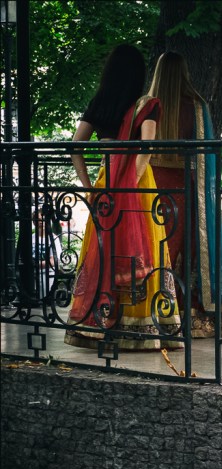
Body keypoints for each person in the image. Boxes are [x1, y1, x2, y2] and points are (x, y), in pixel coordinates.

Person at [65, 43, 181, 351]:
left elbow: (75, 145)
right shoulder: (148, 104)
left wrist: (89, 187)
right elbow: (147, 147)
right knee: (144, 252)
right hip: (137, 188)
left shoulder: (100, 101)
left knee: (104, 252)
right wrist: (133, 183)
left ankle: (103, 324)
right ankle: (143, 325)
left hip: (105, 188)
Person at [147, 51, 222, 338]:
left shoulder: (147, 105)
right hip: (185, 188)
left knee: (157, 248)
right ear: (185, 72)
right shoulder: (196, 106)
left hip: (152, 186)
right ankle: (189, 313)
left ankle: (153, 312)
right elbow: (205, 157)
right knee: (186, 247)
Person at [32, 208, 63, 304]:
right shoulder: (30, 238)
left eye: (43, 219)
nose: (41, 222)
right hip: (31, 276)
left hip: (47, 275)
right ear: (34, 222)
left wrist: (35, 264)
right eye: (38, 219)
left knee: (45, 302)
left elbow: (54, 260)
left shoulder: (54, 238)